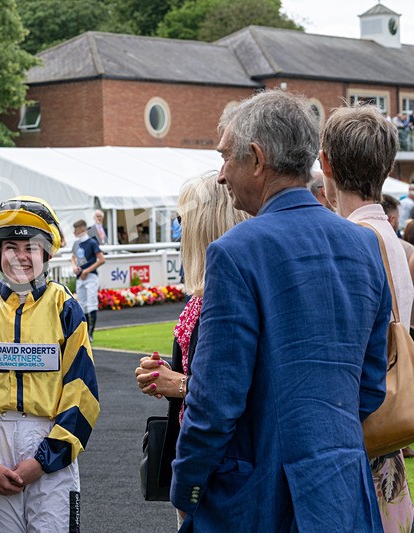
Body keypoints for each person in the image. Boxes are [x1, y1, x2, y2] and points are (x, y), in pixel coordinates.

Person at [170, 90, 390, 531]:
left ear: (256, 158)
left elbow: (215, 402)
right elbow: (369, 387)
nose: (220, 175)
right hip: (343, 493)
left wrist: (186, 486)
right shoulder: (364, 245)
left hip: (257, 502)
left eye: (225, 157)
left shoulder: (235, 252)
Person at [0, 196, 100, 532]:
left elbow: (82, 393)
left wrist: (45, 458)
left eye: (30, 248)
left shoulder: (65, 306)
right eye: (11, 247)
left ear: (46, 255)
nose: (20, 256)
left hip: (49, 438)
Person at [320, 103, 414, 531]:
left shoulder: (354, 238)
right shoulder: (388, 235)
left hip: (361, 430)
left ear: (327, 164)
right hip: (385, 434)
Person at [134, 173, 249, 516]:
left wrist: (180, 384)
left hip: (220, 467)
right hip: (199, 453)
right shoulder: (206, 291)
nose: (178, 232)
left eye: (182, 220)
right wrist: (166, 375)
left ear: (205, 223)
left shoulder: (229, 292)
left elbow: (236, 388)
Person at [71, 219, 105, 342]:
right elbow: (73, 258)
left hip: (91, 277)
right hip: (80, 277)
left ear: (82, 229)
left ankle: (91, 333)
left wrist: (87, 270)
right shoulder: (76, 243)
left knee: (91, 303)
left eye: (76, 230)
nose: (74, 232)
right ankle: (85, 332)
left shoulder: (92, 242)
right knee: (82, 305)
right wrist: (75, 267)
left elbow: (101, 259)